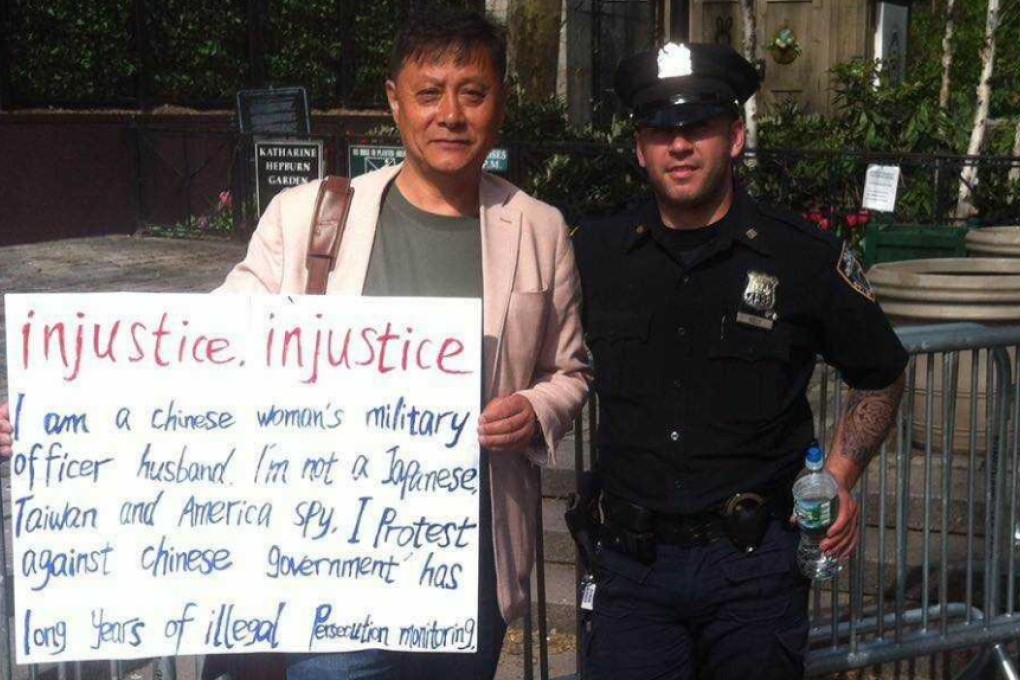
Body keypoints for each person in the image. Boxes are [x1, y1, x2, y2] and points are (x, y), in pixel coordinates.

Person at [0, 7, 589, 680]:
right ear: (394, 101)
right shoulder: (309, 214)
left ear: (500, 102)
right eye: (429, 93)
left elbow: (569, 371)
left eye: (473, 93)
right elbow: (204, 347)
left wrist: (534, 410)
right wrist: (61, 408)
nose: (450, 114)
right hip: (324, 558)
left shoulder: (538, 228)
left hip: (470, 556)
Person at [571, 42, 907, 679]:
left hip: (754, 570)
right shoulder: (593, 253)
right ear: (639, 148)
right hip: (631, 570)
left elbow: (881, 375)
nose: (679, 145)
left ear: (734, 137)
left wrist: (838, 476)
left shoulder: (801, 256)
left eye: (697, 126)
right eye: (660, 130)